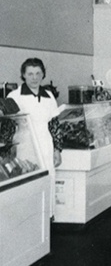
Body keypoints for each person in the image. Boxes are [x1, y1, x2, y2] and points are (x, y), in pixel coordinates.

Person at [8, 58, 62, 217]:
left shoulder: (49, 96)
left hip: (46, 142)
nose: (34, 77)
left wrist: (57, 149)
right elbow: (8, 125)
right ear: (23, 75)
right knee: (27, 180)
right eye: (30, 73)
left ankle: (47, 218)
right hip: (24, 144)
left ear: (43, 74)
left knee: (48, 178)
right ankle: (28, 219)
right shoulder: (15, 95)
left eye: (38, 73)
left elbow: (54, 124)